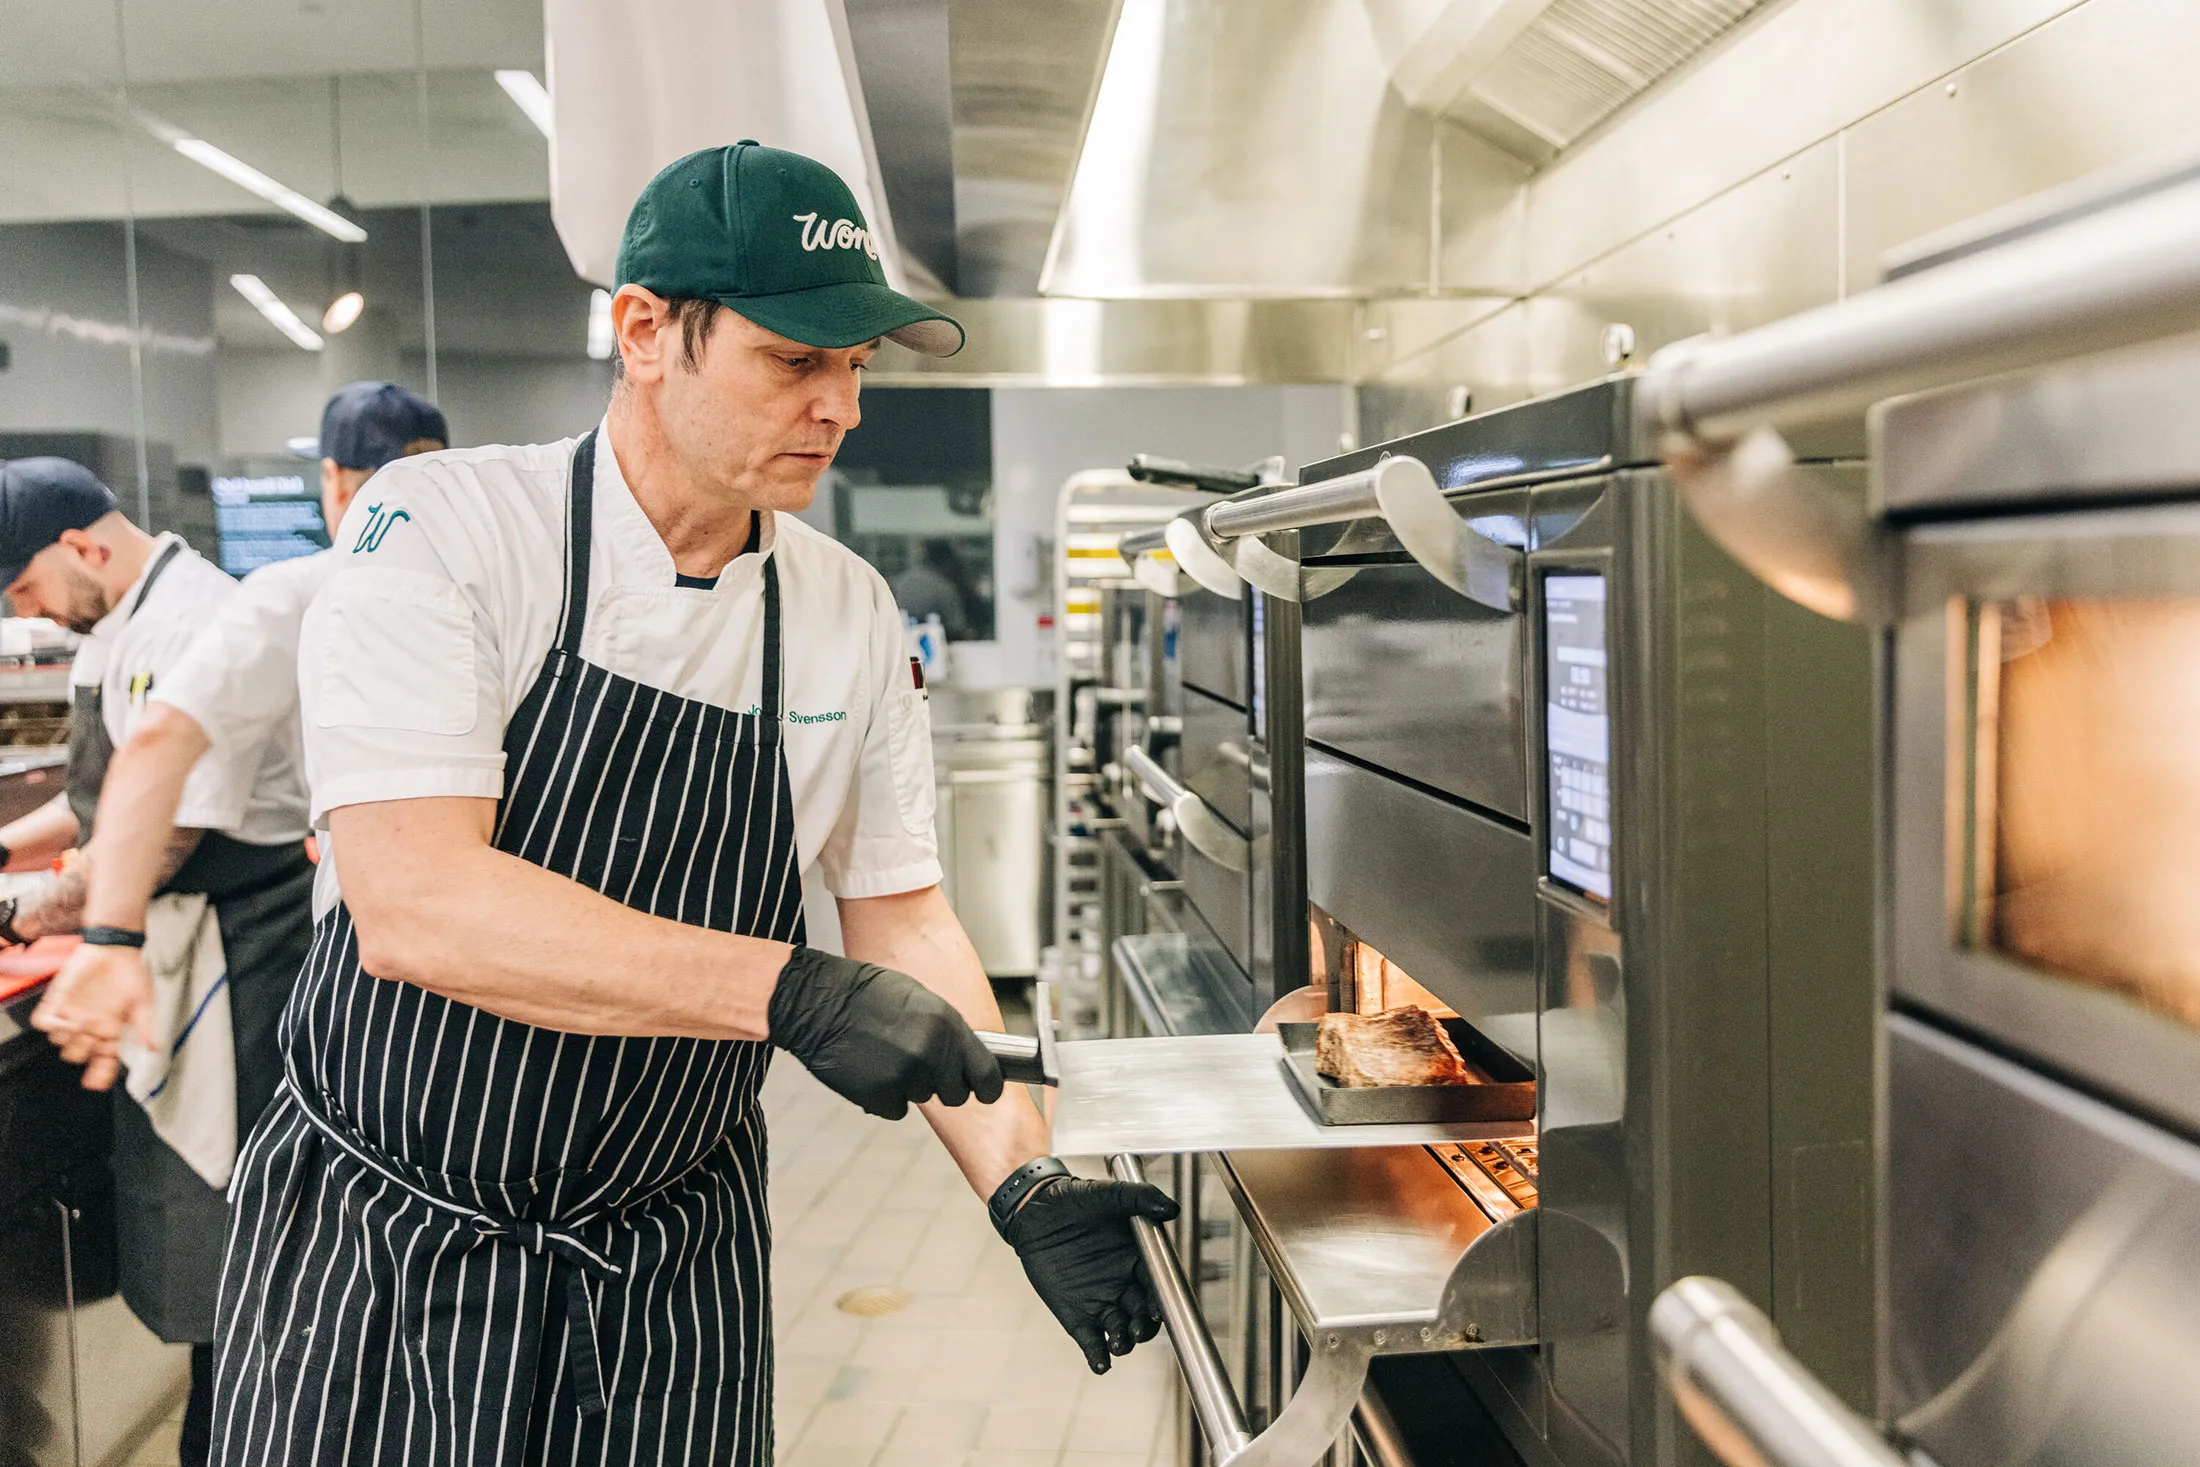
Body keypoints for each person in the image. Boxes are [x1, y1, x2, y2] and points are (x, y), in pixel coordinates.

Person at [171, 141, 1175, 1466]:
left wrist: (1024, 1174)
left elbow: (903, 913)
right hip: (388, 1238)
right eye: (793, 360)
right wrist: (789, 991)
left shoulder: (843, 612)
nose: (842, 407)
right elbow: (418, 904)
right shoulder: (444, 534)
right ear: (645, 331)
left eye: (855, 367)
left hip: (667, 1249)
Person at [0, 456, 317, 1465]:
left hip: (235, 965)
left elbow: (156, 839)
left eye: (26, 590)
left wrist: (23, 912)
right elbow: (99, 805)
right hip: (170, 949)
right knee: (208, 1266)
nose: (33, 614)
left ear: (83, 547)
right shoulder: (113, 622)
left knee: (243, 1261)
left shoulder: (195, 621)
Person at [35, 381, 449, 1104]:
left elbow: (159, 752)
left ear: (331, 477)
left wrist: (106, 938)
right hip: (497, 952)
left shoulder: (293, 593)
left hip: (352, 948)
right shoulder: (513, 585)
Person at [889, 536, 977, 640]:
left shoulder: (900, 582)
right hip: (933, 648)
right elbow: (958, 630)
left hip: (900, 643)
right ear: (947, 562)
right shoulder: (944, 588)